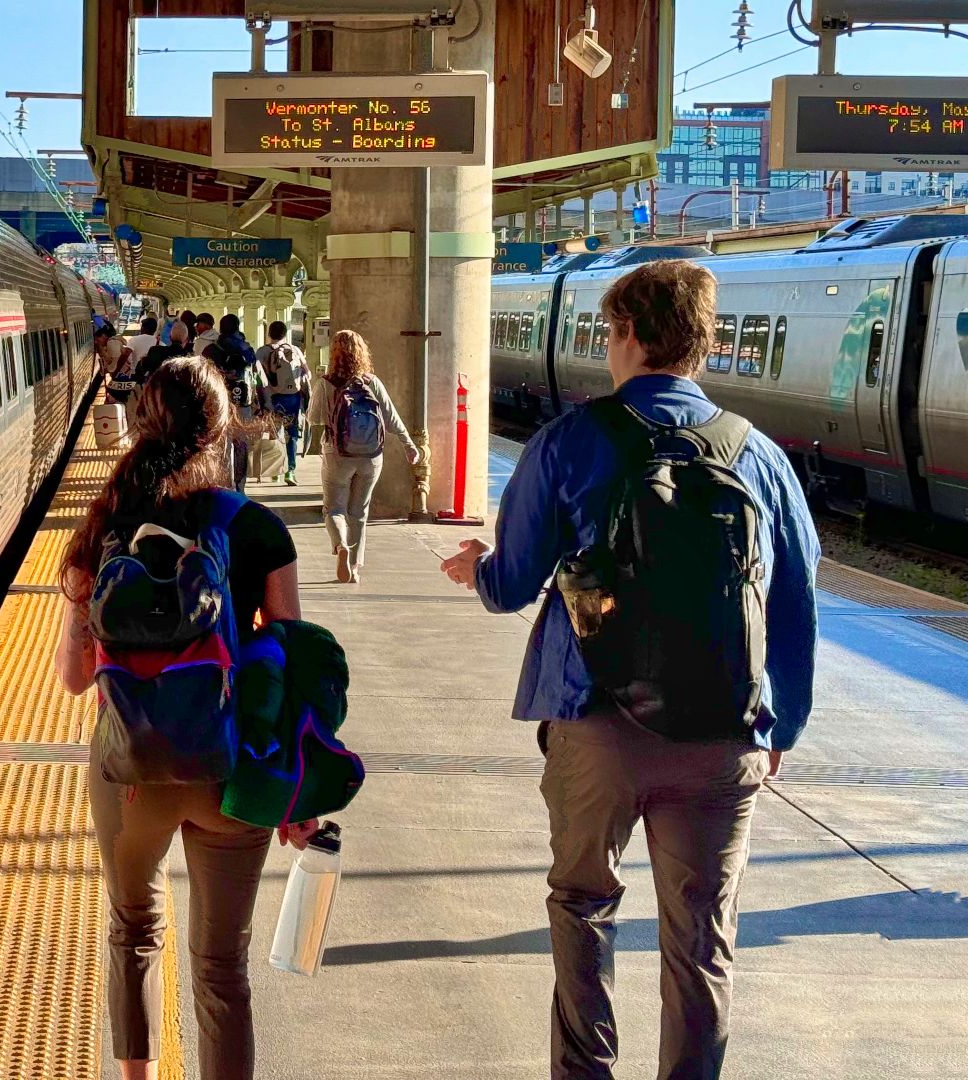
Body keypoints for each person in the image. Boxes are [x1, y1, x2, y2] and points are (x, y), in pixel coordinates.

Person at [439, 260, 819, 1080]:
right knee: (702, 940)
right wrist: (780, 724)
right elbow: (795, 596)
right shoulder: (759, 457)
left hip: (595, 723)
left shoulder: (571, 441)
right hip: (722, 735)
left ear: (627, 335)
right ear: (703, 344)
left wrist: (479, 565)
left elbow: (511, 587)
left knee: (583, 909)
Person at [54, 357, 318, 1080]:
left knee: (134, 933)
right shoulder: (256, 527)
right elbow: (288, 663)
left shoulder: (104, 523)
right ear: (222, 426)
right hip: (231, 774)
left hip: (130, 775)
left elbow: (75, 679)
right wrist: (297, 785)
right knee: (221, 967)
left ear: (142, 420)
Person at [310, 329, 418, 583]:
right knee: (359, 511)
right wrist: (409, 445)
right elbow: (391, 419)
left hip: (337, 454)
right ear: (362, 353)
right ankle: (355, 566)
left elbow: (314, 419)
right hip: (371, 456)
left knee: (334, 509)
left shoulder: (326, 383)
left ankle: (340, 547)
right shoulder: (372, 382)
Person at [205, 314, 262, 494]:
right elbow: (256, 376)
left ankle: (221, 482)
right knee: (240, 444)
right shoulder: (247, 349)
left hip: (218, 401)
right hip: (242, 402)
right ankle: (240, 485)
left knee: (218, 441)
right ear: (237, 327)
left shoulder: (211, 350)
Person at [256, 320, 311, 486]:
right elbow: (306, 373)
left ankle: (275, 472)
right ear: (285, 334)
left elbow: (257, 377)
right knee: (291, 434)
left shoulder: (262, 352)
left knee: (274, 433)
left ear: (269, 334)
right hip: (292, 399)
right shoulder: (294, 350)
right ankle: (291, 471)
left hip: (271, 399)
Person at [134, 319, 192, 384]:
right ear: (187, 340)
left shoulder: (155, 351)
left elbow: (139, 370)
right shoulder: (190, 358)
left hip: (156, 391)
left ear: (170, 337)